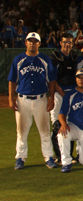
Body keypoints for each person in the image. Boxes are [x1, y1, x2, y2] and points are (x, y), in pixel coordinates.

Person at [9, 33, 58, 170]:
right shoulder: (18, 59)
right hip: (22, 100)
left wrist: (51, 98)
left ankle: (48, 157)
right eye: (30, 41)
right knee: (21, 131)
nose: (32, 43)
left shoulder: (44, 59)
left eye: (35, 41)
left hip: (40, 99)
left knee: (45, 130)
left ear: (39, 43)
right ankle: (20, 157)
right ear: (25, 43)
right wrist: (11, 99)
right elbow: (12, 80)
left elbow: (52, 80)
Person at [49, 33, 78, 164]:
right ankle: (59, 156)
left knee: (70, 124)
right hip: (59, 94)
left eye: (70, 42)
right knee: (57, 125)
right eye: (65, 42)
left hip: (71, 93)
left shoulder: (74, 56)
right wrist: (62, 93)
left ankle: (69, 156)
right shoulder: (54, 57)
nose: (67, 45)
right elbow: (52, 79)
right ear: (60, 43)